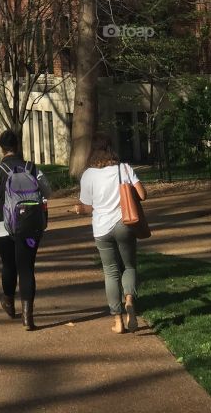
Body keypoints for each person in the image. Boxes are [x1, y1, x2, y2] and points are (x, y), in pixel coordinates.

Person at [75, 133, 147, 333]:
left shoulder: (88, 175)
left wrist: (80, 210)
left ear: (93, 152)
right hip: (125, 223)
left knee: (110, 272)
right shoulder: (123, 168)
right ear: (111, 149)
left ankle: (118, 321)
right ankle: (130, 301)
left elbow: (88, 206)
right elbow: (143, 194)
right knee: (130, 267)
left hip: (101, 228)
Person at [0, 127, 52, 330]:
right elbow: (48, 191)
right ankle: (28, 317)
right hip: (29, 227)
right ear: (18, 146)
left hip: (1, 226)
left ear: (2, 149)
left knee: (8, 264)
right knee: (26, 267)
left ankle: (9, 302)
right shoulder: (32, 168)